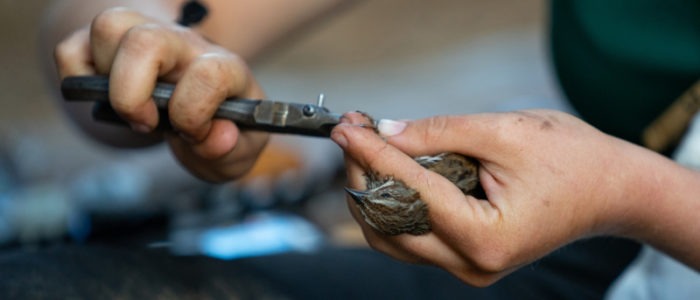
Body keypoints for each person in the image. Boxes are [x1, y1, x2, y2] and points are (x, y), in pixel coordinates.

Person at [31, 0, 700, 298]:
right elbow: (153, 10)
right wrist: (144, 44)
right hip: (610, 256)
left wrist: (634, 194)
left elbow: (630, 196)